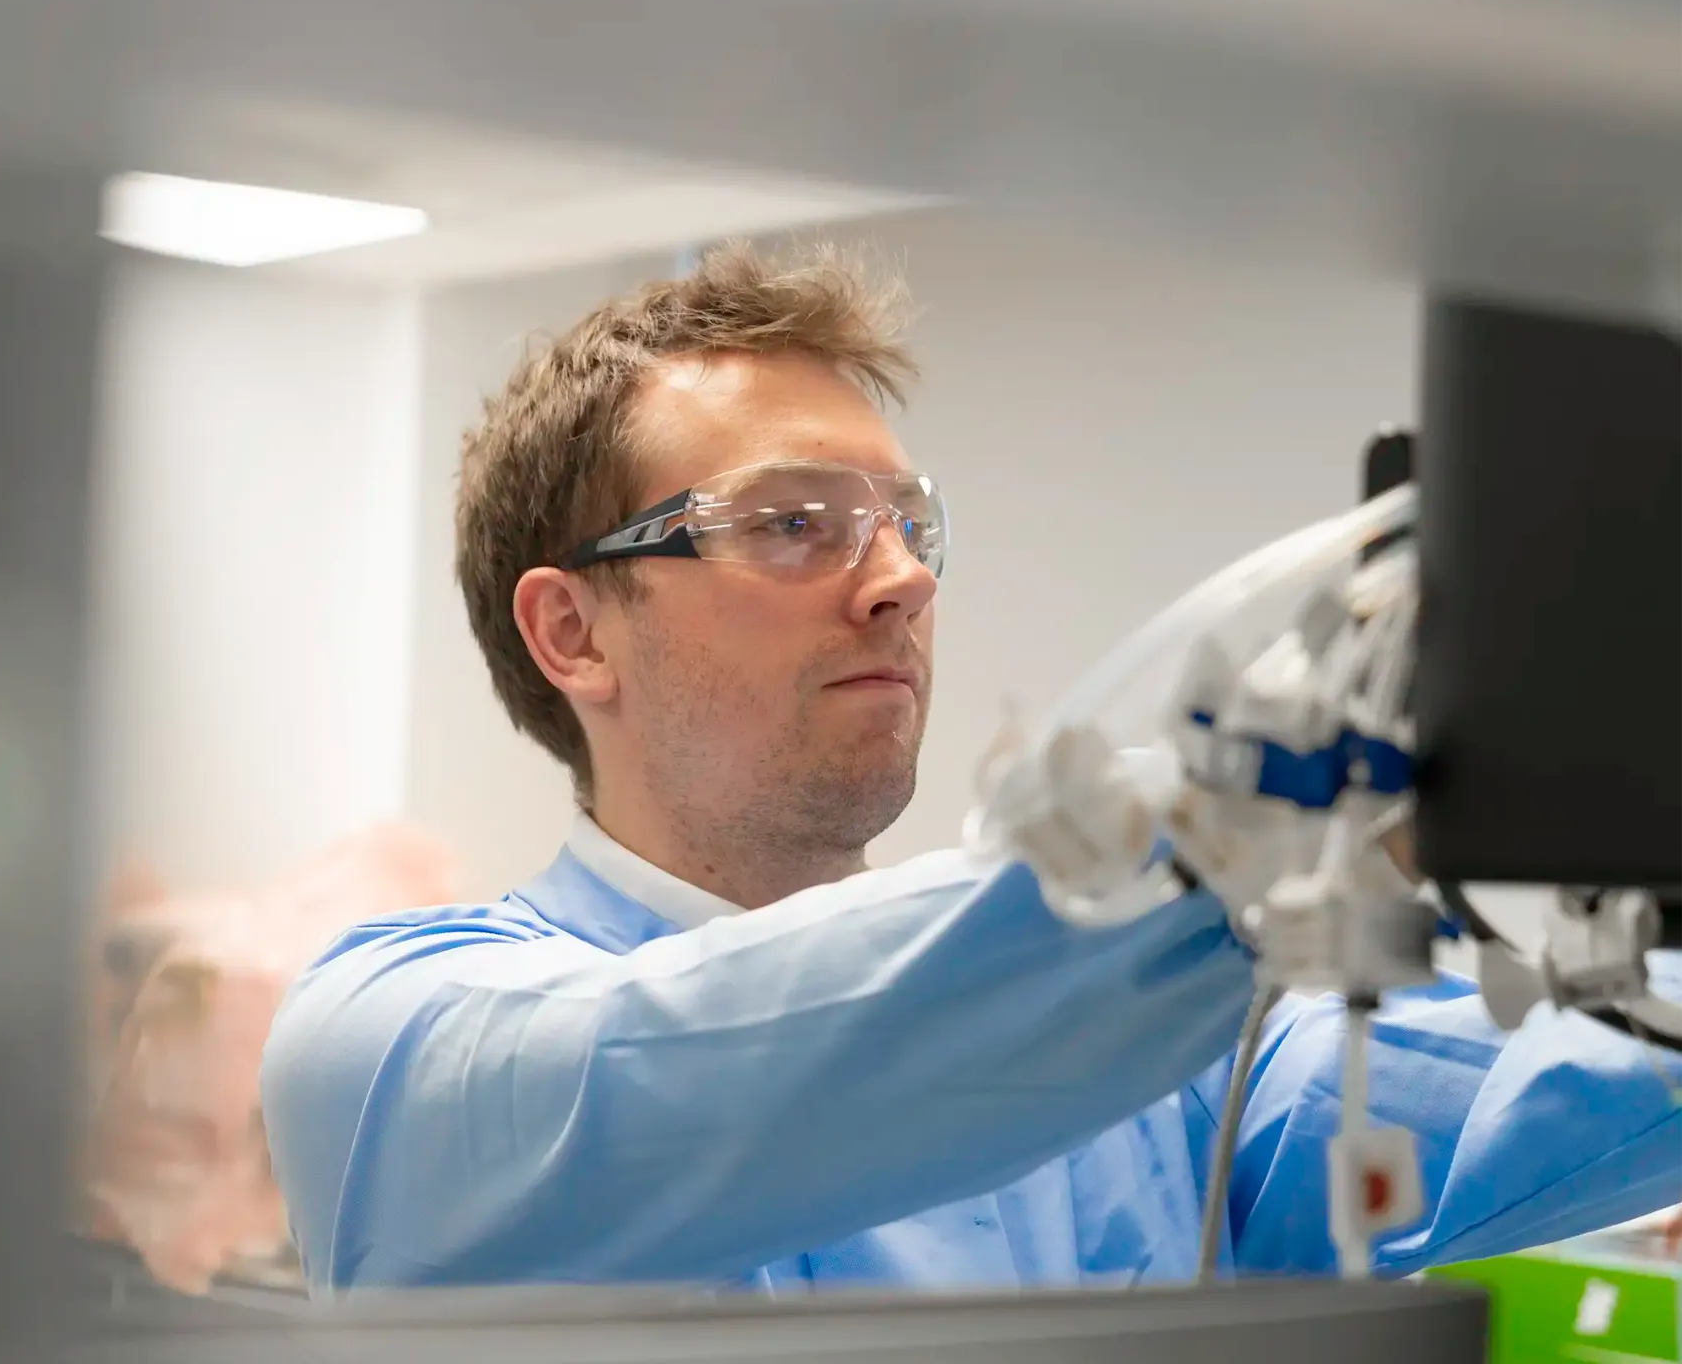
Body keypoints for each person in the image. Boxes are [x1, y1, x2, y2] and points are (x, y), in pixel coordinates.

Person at [261, 245, 1682, 1292]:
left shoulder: (1177, 1063)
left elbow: (1570, 1074)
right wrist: (1264, 817)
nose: (896, 583)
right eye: (797, 522)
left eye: (906, 526)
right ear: (574, 629)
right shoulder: (390, 1046)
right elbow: (744, 1062)